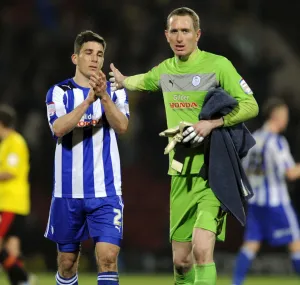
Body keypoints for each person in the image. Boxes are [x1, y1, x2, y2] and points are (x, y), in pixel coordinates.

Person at [109, 6, 259, 285]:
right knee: (181, 262)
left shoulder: (218, 65)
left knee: (203, 251)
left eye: (186, 31)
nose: (180, 37)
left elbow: (251, 105)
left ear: (197, 34)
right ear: (167, 36)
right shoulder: (165, 71)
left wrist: (213, 123)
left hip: (213, 172)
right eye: (174, 31)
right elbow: (143, 80)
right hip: (180, 175)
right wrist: (123, 81)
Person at [44, 30, 129, 285]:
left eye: (100, 54)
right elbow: (58, 128)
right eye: (89, 53)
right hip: (68, 191)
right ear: (75, 57)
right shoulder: (59, 92)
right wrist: (88, 100)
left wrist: (102, 96)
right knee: (67, 263)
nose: (95, 59)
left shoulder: (115, 91)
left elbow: (122, 126)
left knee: (108, 257)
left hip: (106, 190)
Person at [232, 98, 300, 285]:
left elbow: (244, 171)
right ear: (276, 116)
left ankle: (236, 283)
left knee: (250, 246)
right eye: (285, 115)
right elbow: (291, 173)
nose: (286, 120)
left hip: (255, 203)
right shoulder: (276, 142)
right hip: (276, 202)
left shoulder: (254, 138)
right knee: (296, 242)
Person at [0, 105, 31, 285]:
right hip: (9, 202)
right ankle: (21, 281)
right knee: (12, 250)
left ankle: (23, 278)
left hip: (10, 202)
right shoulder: (6, 143)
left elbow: (10, 171)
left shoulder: (15, 142)